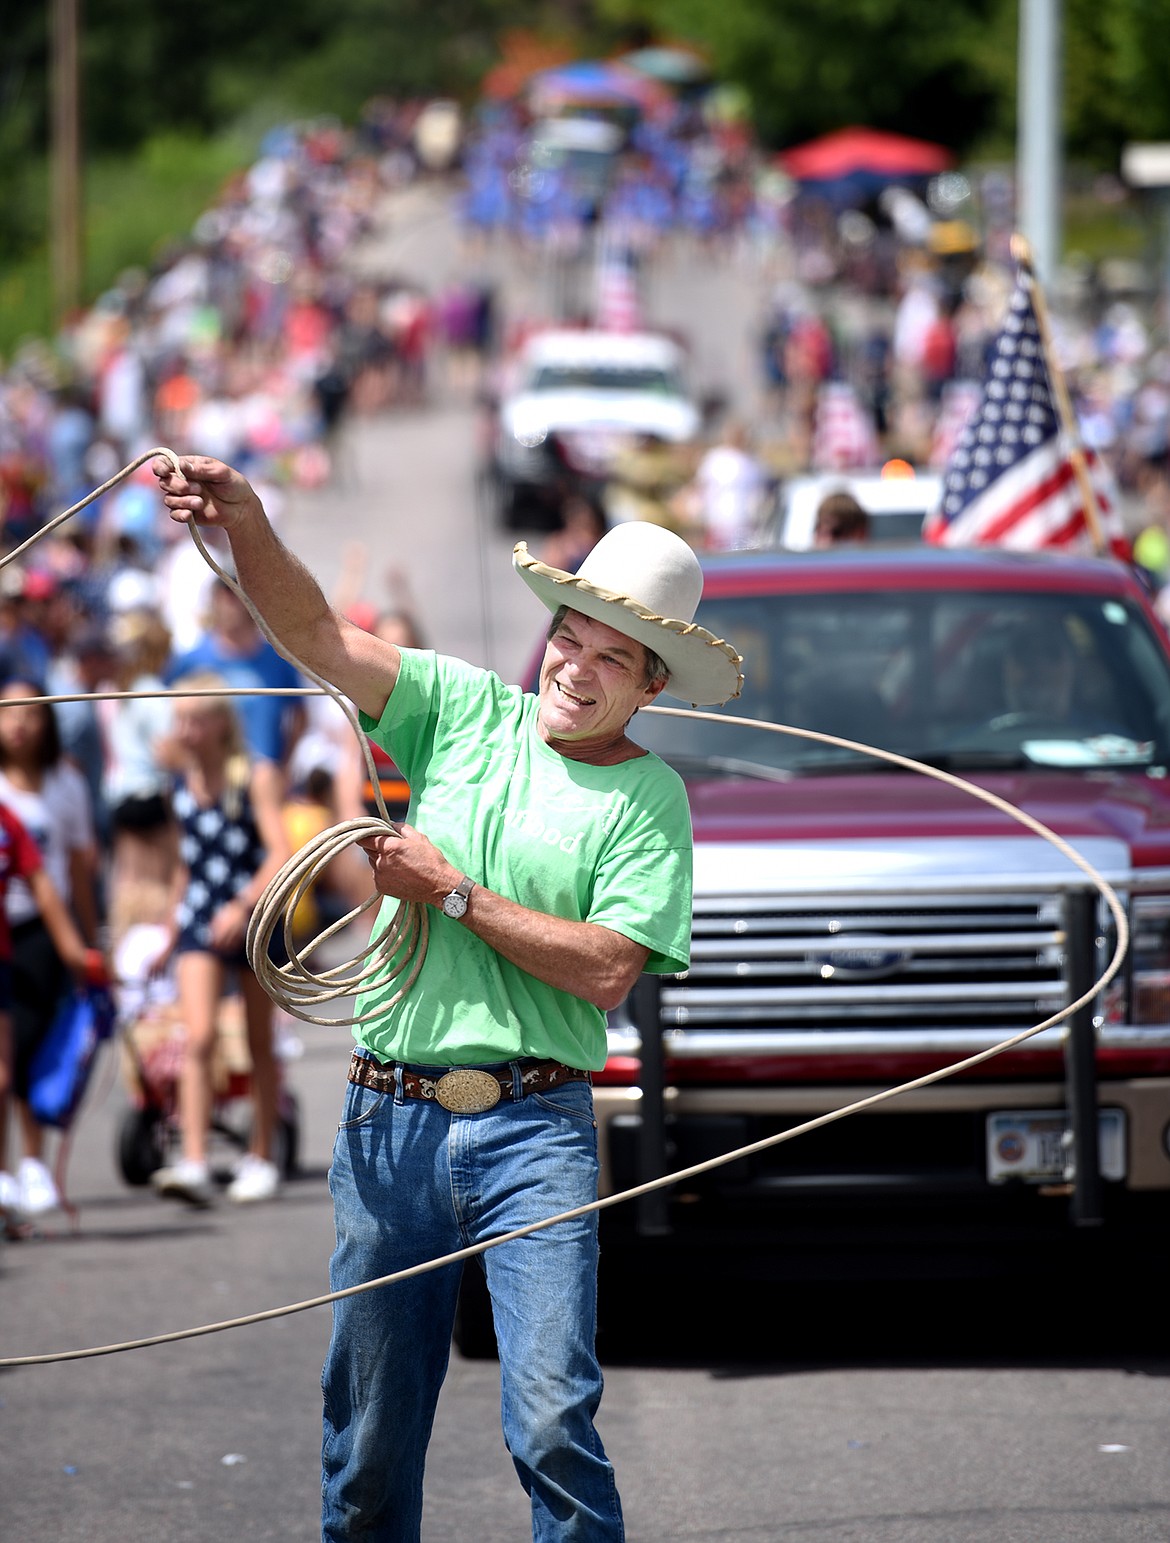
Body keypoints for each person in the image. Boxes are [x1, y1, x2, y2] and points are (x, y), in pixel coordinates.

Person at [152, 453, 744, 1543]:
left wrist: (453, 893)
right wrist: (247, 525)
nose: (578, 666)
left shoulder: (651, 798)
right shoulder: (464, 710)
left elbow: (611, 965)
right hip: (392, 1115)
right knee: (369, 1444)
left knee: (553, 1419)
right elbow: (318, 638)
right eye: (572, 634)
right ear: (549, 629)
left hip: (535, 1129)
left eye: (616, 657)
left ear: (652, 685)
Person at [147, 674, 291, 1206]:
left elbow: (280, 850)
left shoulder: (255, 774)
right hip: (200, 918)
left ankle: (260, 1154)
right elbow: (187, 862)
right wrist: (168, 929)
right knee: (199, 1035)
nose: (182, 729)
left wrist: (242, 904)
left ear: (217, 722)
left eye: (193, 718)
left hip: (253, 918)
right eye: (178, 717)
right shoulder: (180, 780)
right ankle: (194, 1159)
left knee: (258, 1044)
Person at [0, 676, 102, 1218]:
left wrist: (88, 940)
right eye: (8, 710)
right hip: (3, 927)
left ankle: (33, 1161)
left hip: (47, 929)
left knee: (36, 1042)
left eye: (31, 711)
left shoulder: (67, 782)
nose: (18, 722)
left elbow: (80, 869)